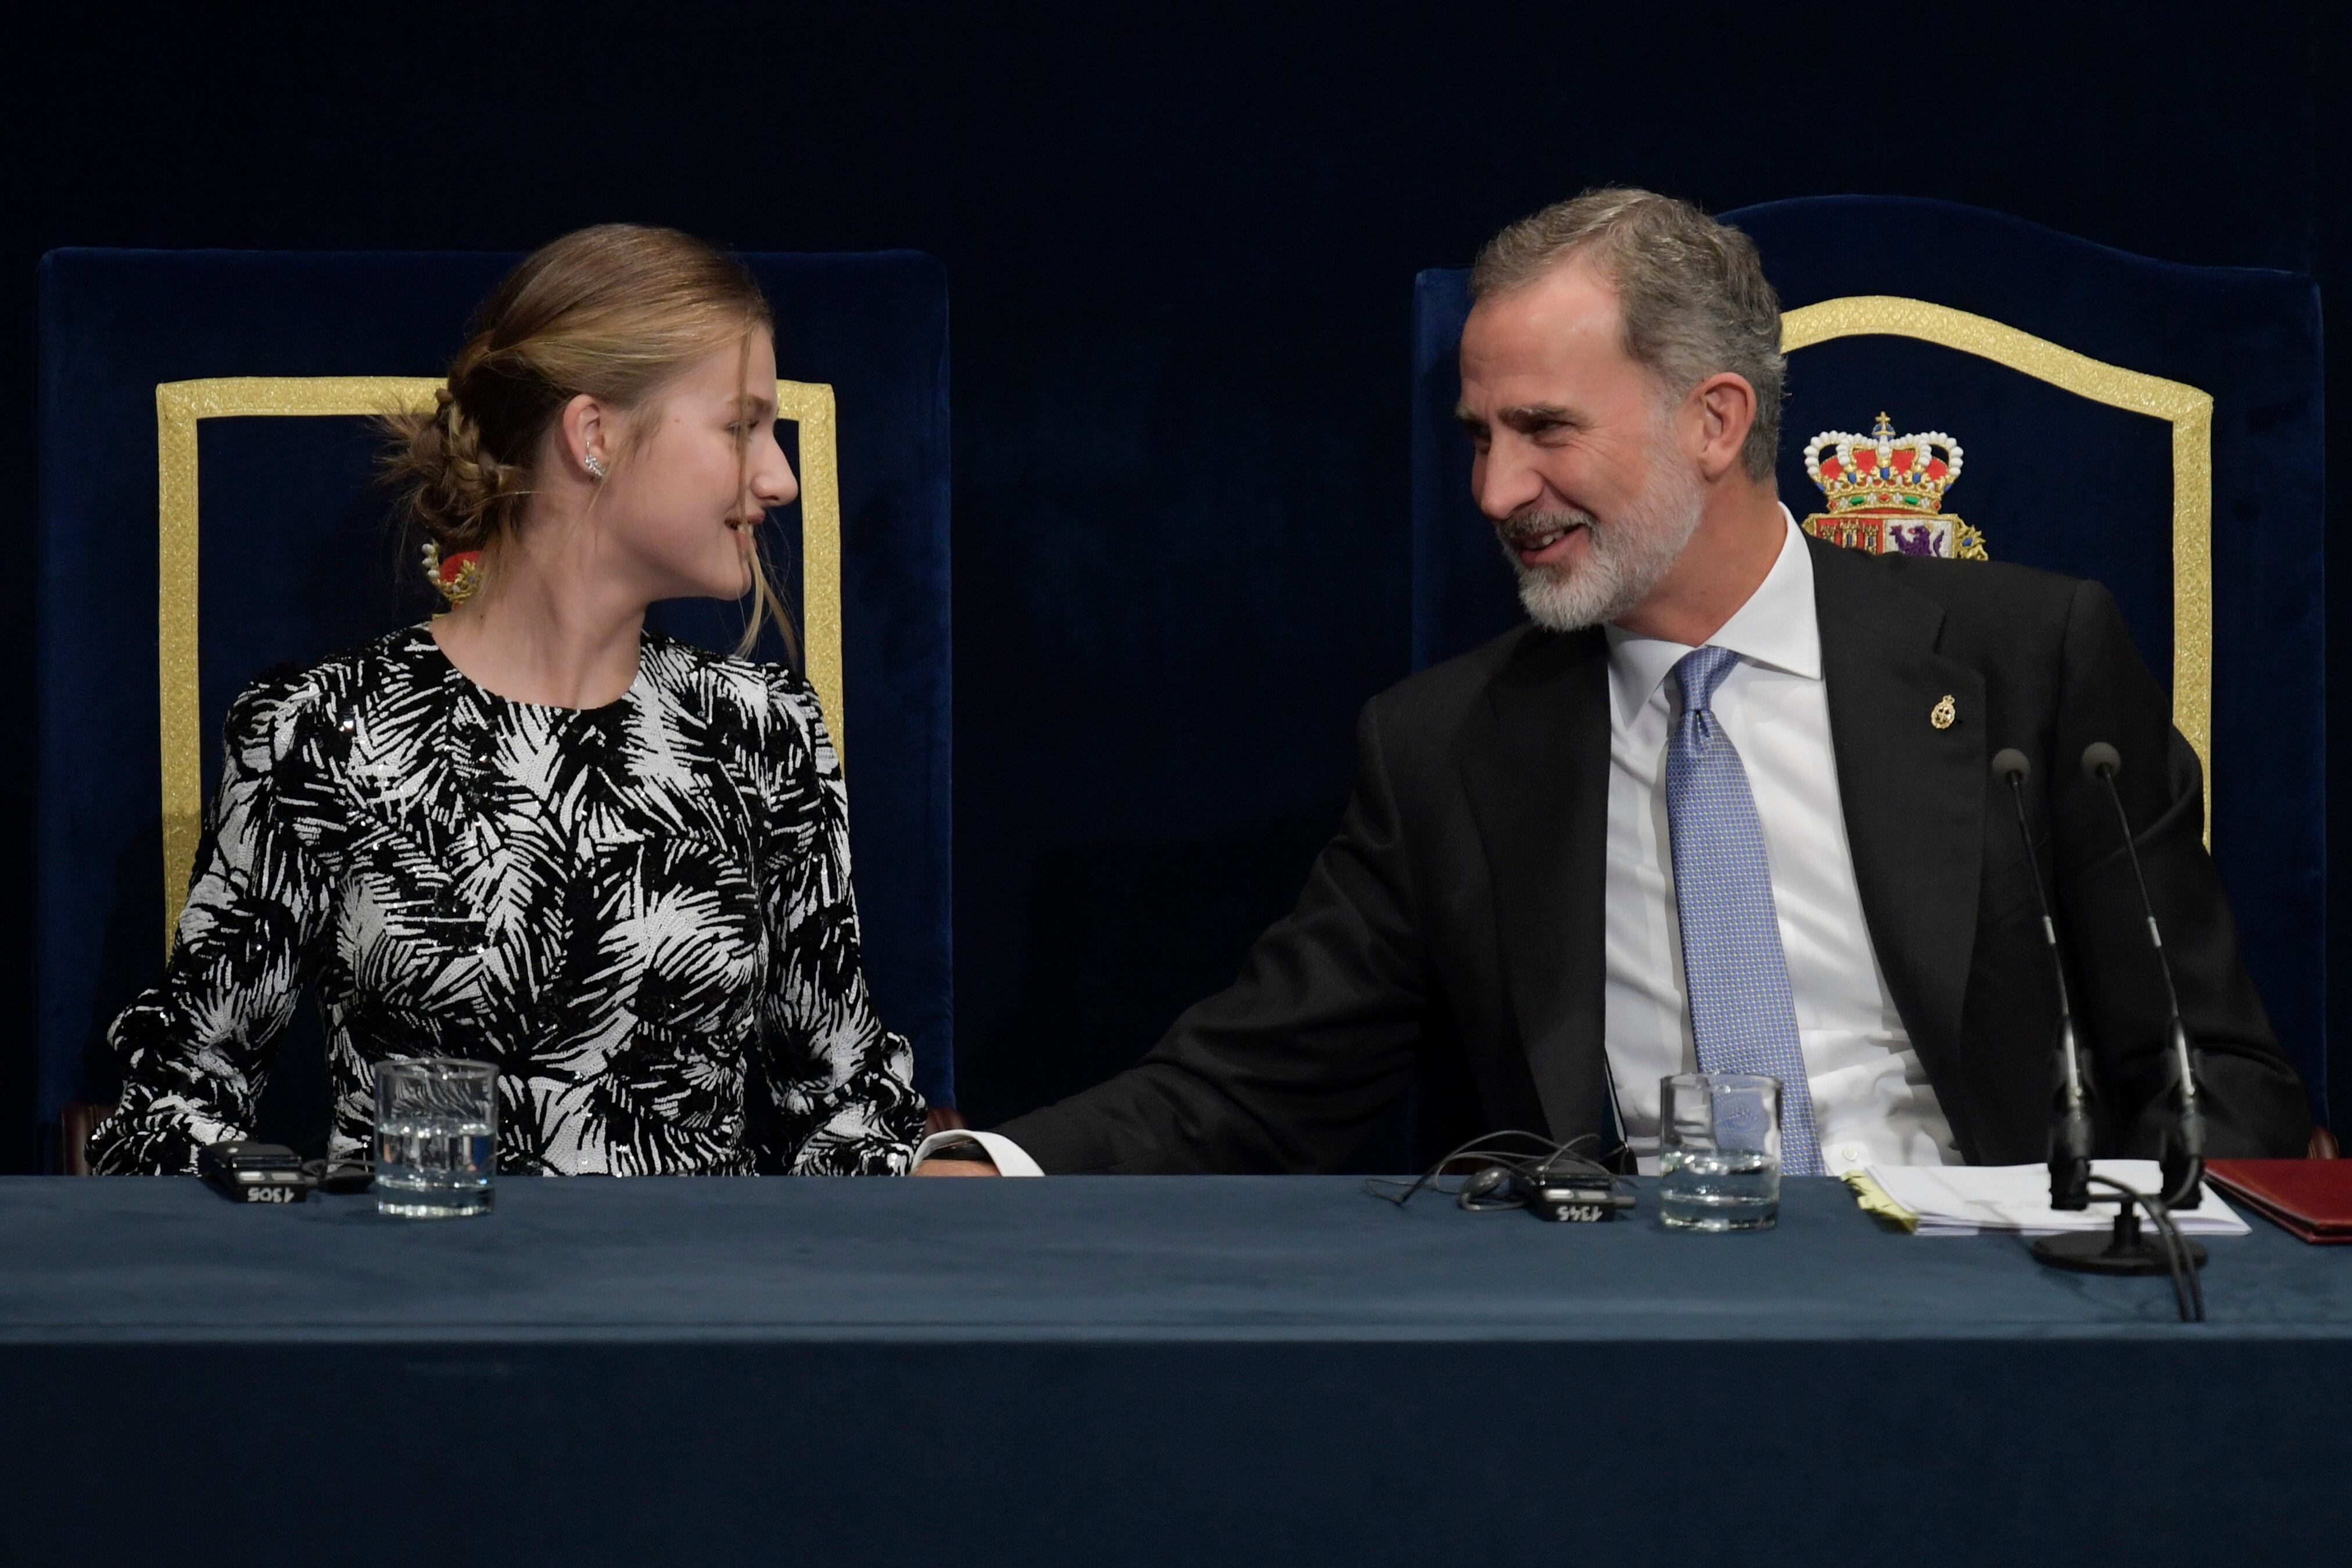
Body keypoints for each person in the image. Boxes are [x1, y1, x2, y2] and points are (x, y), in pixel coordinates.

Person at [919, 188, 2310, 1178]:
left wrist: (2117, 1306)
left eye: (1541, 431)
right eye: (1476, 437)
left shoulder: (2028, 662)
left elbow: (2214, 1077)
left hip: (1999, 1328)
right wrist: (993, 1170)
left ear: (1713, 420)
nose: (1493, 490)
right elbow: (1249, 1084)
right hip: (1636, 1359)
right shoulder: (1446, 750)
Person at [91, 225, 924, 1177]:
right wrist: (314, 1230)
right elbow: (168, 1118)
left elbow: (843, 1114)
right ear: (595, 435)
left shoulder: (764, 732)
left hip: (700, 1310)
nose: (777, 476)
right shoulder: (322, 733)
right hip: (421, 1302)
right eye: (741, 426)